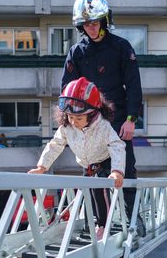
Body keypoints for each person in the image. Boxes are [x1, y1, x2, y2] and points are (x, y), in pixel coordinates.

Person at [61, 0, 145, 236]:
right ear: (80, 25)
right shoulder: (76, 52)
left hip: (119, 121)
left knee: (125, 172)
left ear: (104, 21)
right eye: (86, 23)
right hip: (89, 123)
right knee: (91, 175)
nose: (91, 27)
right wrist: (69, 123)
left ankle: (133, 219)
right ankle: (96, 222)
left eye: (95, 22)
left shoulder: (121, 47)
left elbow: (134, 86)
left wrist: (131, 120)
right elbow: (66, 90)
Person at [29, 77, 126, 240]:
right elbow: (55, 144)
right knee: (86, 192)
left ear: (93, 113)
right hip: (86, 164)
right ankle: (91, 224)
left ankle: (104, 225)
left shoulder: (103, 126)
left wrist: (117, 171)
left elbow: (117, 145)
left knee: (100, 190)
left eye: (79, 118)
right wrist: (42, 167)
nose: (74, 121)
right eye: (70, 117)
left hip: (104, 162)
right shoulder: (67, 127)